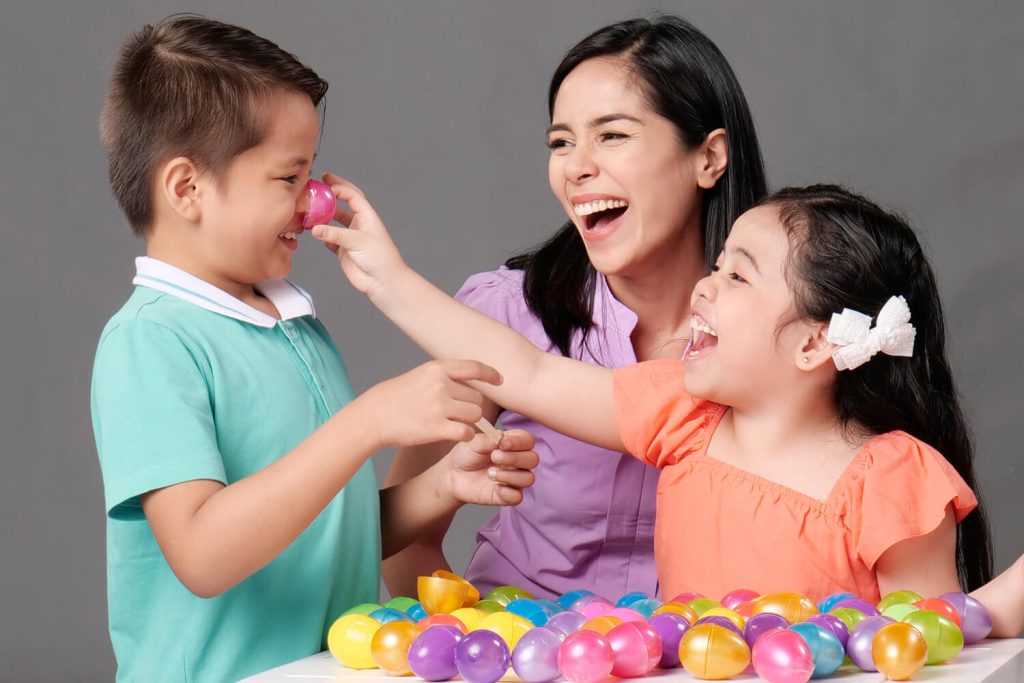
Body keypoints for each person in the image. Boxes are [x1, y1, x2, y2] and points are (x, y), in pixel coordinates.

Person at [312, 181, 1024, 637]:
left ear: (815, 343)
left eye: (738, 275)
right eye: (717, 265)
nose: (704, 288)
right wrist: (387, 279)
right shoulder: (684, 415)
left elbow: (926, 646)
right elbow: (526, 372)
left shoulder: (891, 481)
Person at [90, 16, 538, 682]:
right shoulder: (150, 342)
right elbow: (204, 553)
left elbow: (327, 535)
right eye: (288, 178)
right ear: (187, 188)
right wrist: (367, 422)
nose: (316, 205)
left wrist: (441, 484)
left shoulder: (294, 324)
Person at [381, 14, 767, 602]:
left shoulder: (779, 333)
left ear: (709, 157)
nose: (576, 166)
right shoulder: (500, 316)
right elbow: (404, 539)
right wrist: (470, 639)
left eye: (612, 135)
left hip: (703, 647)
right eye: (561, 142)